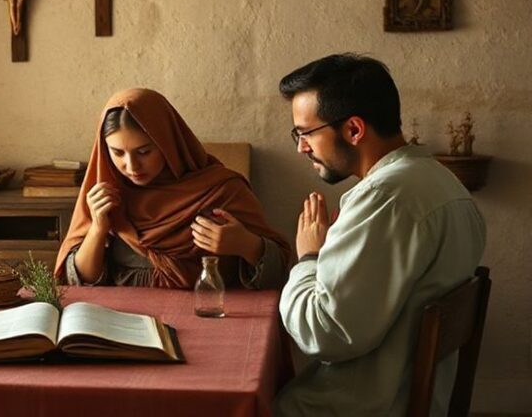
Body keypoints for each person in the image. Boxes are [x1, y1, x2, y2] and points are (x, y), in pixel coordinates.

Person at [276, 54, 486, 416]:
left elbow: (325, 334)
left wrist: (308, 258)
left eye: (305, 133)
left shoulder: (385, 198)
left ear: (354, 130)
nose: (301, 148)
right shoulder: (444, 183)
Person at [53, 88, 290, 289]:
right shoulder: (106, 194)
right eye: (117, 153)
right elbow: (78, 283)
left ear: (168, 143)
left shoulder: (223, 191)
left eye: (144, 152)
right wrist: (98, 229)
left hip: (206, 317)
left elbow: (278, 274)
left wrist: (246, 244)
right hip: (121, 321)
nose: (132, 166)